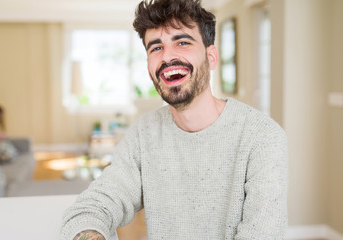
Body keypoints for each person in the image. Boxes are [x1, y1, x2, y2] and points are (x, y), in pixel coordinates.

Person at [61, 0, 288, 239]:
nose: (167, 57)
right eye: (156, 48)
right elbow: (95, 206)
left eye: (182, 42)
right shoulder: (143, 135)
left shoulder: (262, 137)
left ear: (211, 57)